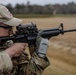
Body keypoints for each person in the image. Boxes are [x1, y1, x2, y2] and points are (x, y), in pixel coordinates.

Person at [0, 4, 50, 75]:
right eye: (8, 28)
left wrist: (39, 55)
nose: (11, 32)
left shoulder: (8, 44)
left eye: (12, 28)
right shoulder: (11, 49)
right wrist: (10, 52)